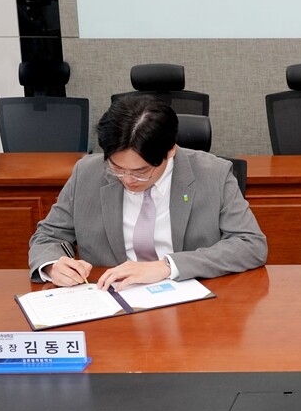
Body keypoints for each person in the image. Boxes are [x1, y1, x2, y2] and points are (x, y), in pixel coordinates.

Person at [29, 95, 267, 290]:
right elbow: (48, 236)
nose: (128, 180)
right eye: (117, 168)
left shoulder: (213, 173)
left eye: (141, 171)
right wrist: (52, 265)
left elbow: (250, 244)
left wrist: (167, 266)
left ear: (170, 151)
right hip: (111, 301)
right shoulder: (87, 173)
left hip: (189, 302)